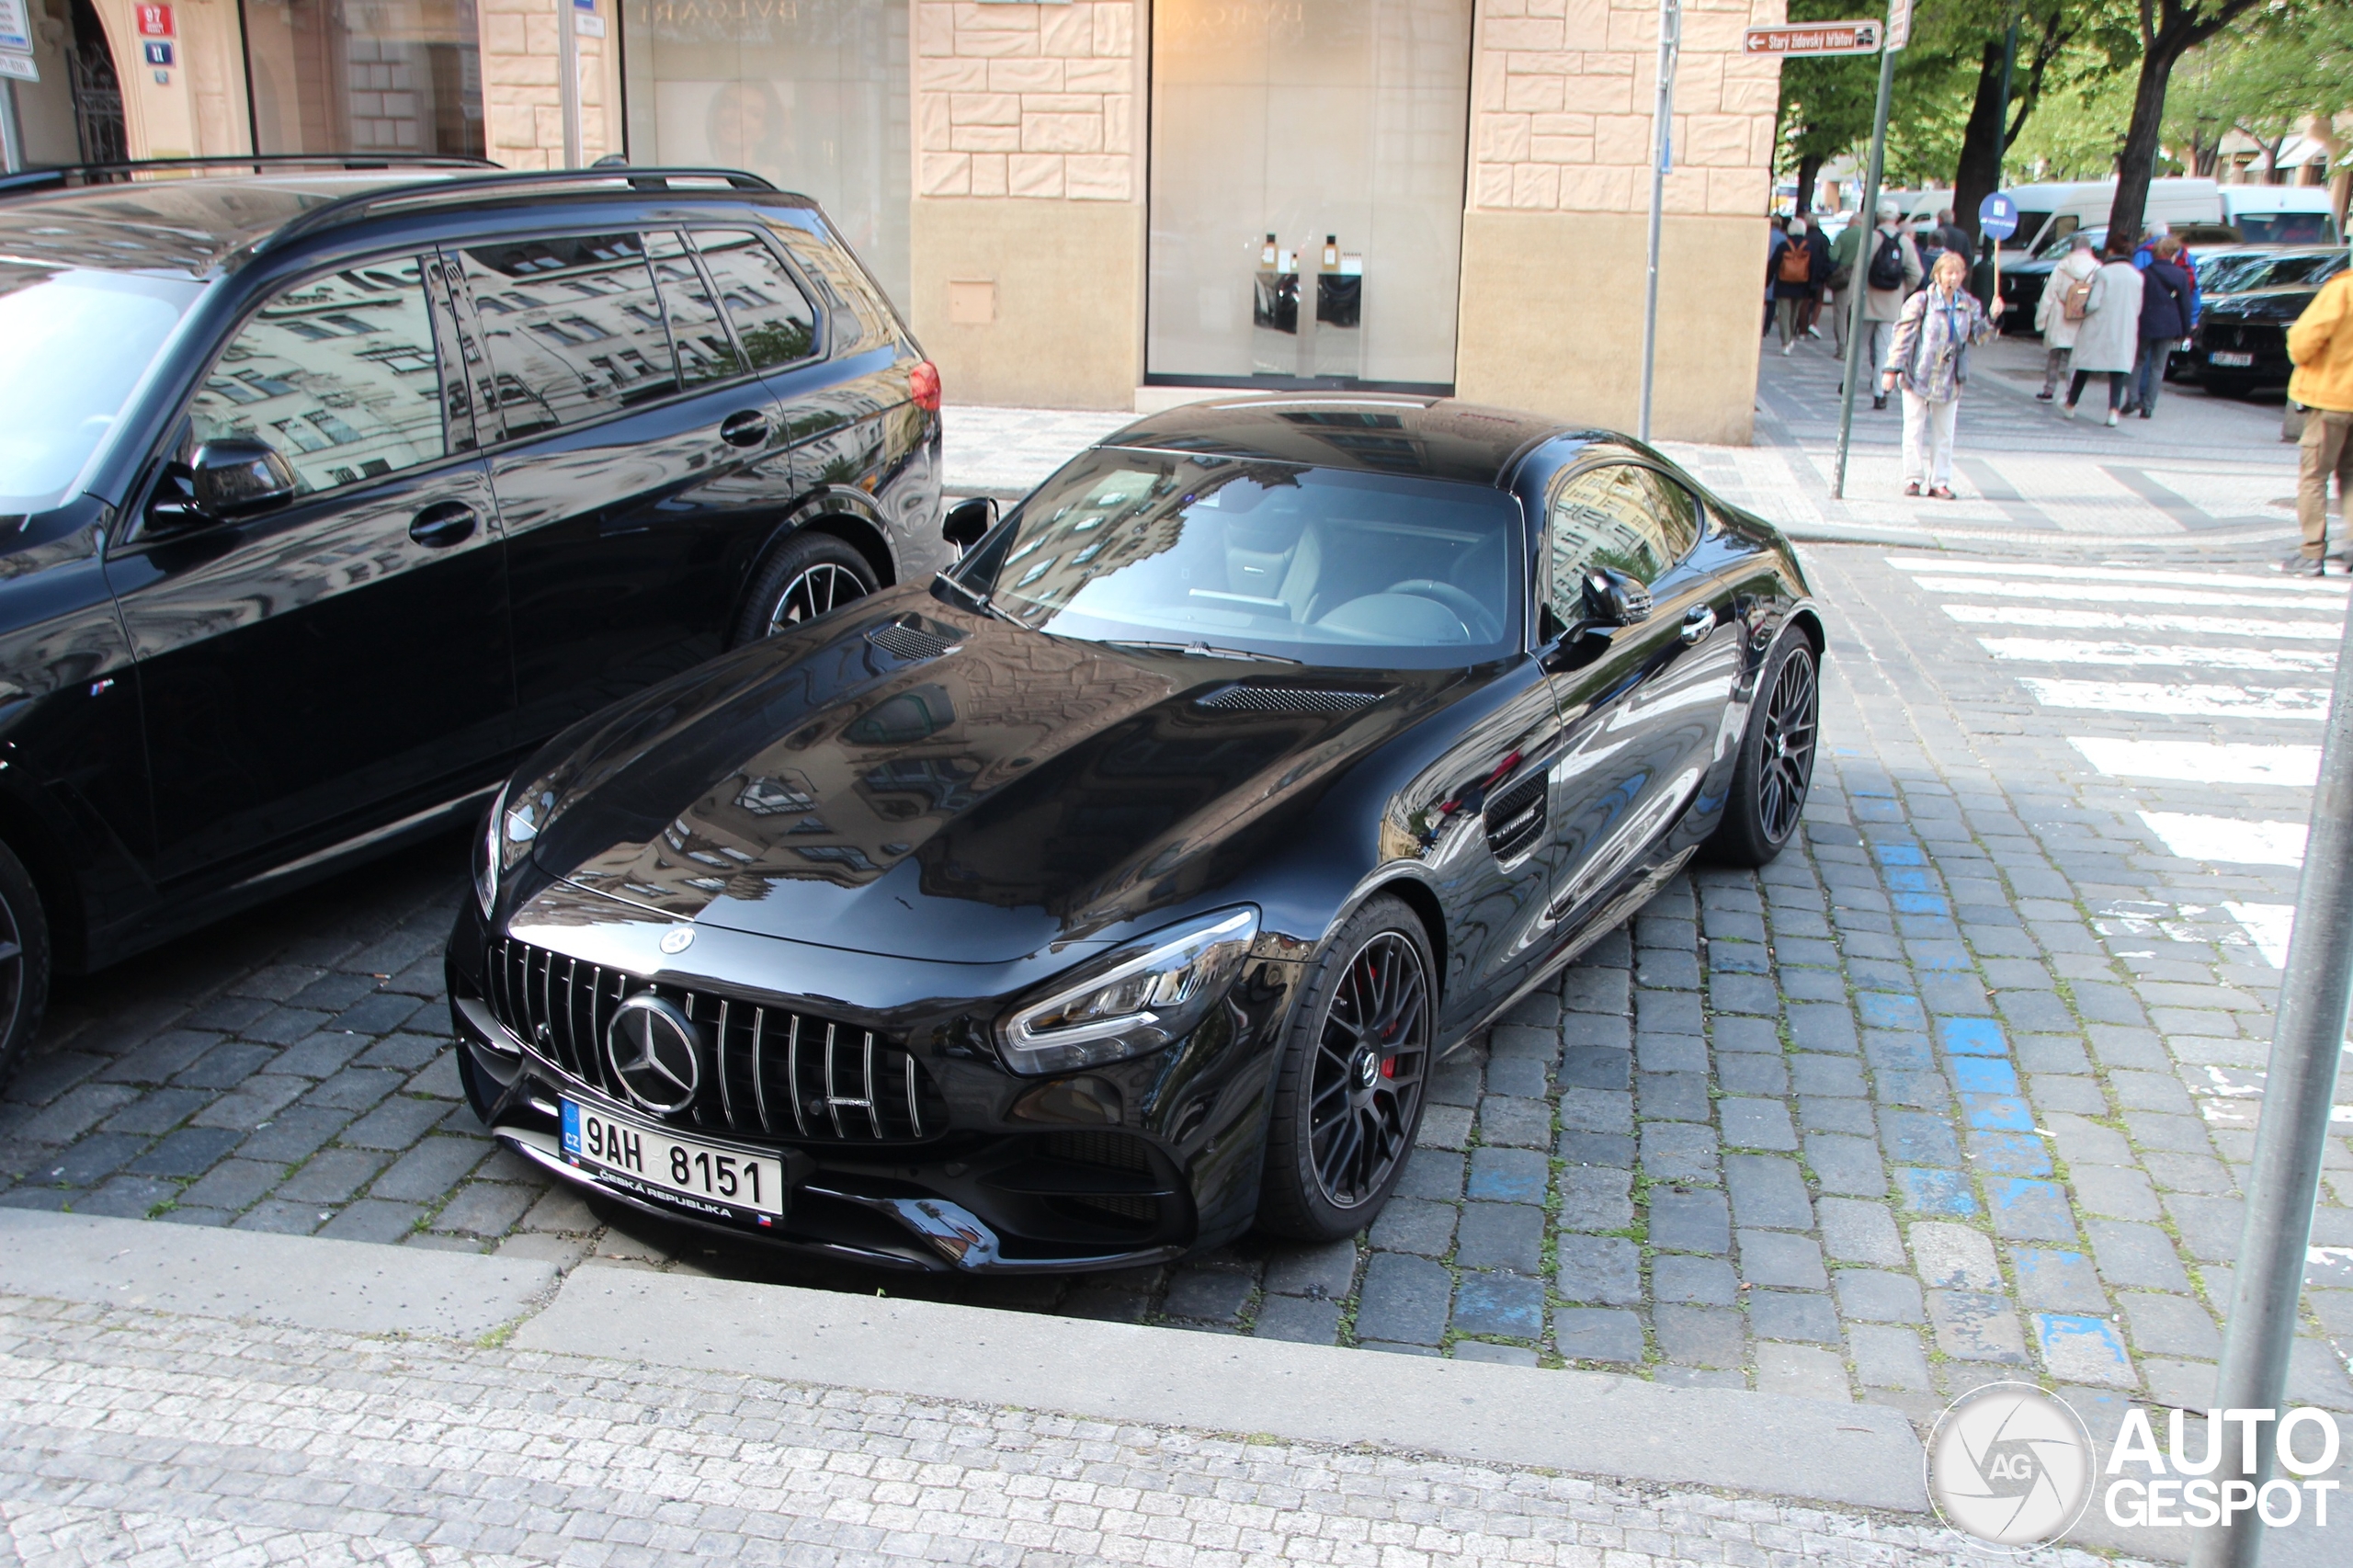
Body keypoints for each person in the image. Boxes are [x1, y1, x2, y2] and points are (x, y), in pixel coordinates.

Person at [1881, 249, 2004, 498]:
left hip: (1950, 377)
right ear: (1937, 275)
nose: (1954, 278)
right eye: (1949, 272)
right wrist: (1892, 369)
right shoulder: (1921, 301)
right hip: (1919, 374)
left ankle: (1940, 481)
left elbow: (1979, 336)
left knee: (1944, 432)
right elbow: (1903, 335)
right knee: (1914, 428)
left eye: (1958, 273)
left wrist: (1993, 317)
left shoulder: (1968, 304)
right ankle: (1913, 478)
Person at [2281, 261, 2353, 575]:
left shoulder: (2342, 289)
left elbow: (2302, 343)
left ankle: (2311, 552)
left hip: (2331, 400)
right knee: (2351, 476)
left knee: (2314, 475)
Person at [2062, 237, 2145, 426]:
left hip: (2100, 325)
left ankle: (2070, 404)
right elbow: (2138, 307)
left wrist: (2082, 310)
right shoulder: (2137, 276)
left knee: (2085, 364)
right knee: (2117, 369)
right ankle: (2113, 411)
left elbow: (2093, 304)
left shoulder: (2104, 273)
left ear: (2111, 251)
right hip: (2124, 326)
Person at [1860, 200, 1923, 409]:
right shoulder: (1905, 242)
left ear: (1877, 216)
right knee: (1884, 349)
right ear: (1896, 218)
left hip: (1866, 301)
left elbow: (1858, 270)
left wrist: (1854, 297)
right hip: (1891, 304)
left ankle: (1849, 385)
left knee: (1858, 348)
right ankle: (1880, 393)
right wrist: (1903, 291)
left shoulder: (1871, 239)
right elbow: (1917, 273)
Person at [2129, 235, 2194, 419]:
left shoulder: (2144, 273)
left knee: (2138, 361)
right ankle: (2148, 406)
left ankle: (2132, 398)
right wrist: (2185, 329)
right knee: (2158, 366)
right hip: (2169, 325)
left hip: (2145, 323)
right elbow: (2185, 304)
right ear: (2171, 254)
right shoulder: (2180, 274)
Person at [2033, 233, 2099, 400]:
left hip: (2060, 313)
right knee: (2074, 359)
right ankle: (2071, 392)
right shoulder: (2097, 268)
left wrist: (2041, 321)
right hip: (2081, 317)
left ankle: (2049, 389)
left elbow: (2048, 295)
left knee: (2054, 355)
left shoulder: (2062, 266)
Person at [1772, 214, 1820, 352]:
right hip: (1801, 284)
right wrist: (1811, 286)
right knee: (1794, 314)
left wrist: (1768, 280)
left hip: (1783, 284)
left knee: (1784, 314)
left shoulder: (1784, 246)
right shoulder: (1808, 247)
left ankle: (1786, 341)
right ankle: (1790, 336)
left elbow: (1774, 264)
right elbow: (1813, 267)